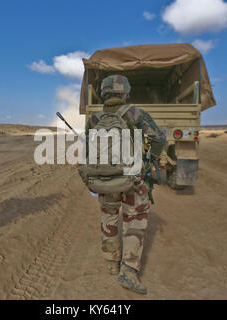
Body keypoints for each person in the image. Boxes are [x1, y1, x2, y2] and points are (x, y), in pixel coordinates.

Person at [85, 75, 166, 294]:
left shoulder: (94, 118)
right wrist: (151, 158)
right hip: (133, 177)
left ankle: (112, 263)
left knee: (109, 216)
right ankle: (128, 272)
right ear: (125, 92)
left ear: (104, 93)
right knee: (134, 220)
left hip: (105, 178)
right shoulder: (135, 113)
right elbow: (158, 139)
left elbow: (88, 149)